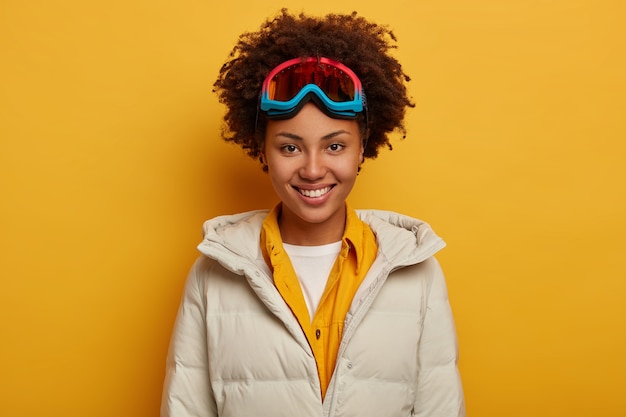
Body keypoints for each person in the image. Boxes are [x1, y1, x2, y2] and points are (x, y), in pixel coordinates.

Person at [161, 9, 465, 417]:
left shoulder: (417, 273)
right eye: (290, 147)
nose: (313, 169)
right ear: (262, 151)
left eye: (335, 145)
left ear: (362, 148)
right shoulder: (213, 273)